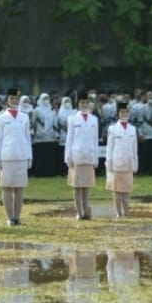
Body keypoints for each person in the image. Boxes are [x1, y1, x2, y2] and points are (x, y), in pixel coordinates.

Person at [0, 88, 33, 227]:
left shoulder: (24, 117)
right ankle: (9, 217)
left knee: (19, 188)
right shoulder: (1, 117)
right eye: (12, 99)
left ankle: (17, 217)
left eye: (17, 99)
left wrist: (29, 157)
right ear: (7, 100)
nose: (15, 101)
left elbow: (27, 138)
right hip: (7, 155)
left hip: (21, 155)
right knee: (7, 188)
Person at [65, 90, 99, 220]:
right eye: (82, 102)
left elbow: (95, 140)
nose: (84, 105)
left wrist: (95, 158)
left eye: (86, 102)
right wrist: (68, 157)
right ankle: (79, 211)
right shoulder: (73, 119)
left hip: (89, 155)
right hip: (76, 156)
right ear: (78, 104)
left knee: (86, 186)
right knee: (77, 186)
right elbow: (69, 139)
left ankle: (86, 210)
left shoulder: (94, 119)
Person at [105, 102, 138, 218]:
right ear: (118, 113)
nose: (124, 114)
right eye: (122, 112)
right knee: (117, 190)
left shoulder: (132, 129)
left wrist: (135, 163)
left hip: (128, 162)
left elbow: (134, 148)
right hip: (116, 162)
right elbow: (109, 147)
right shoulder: (112, 129)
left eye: (126, 112)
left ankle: (126, 212)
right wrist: (109, 163)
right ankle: (118, 213)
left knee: (126, 190)